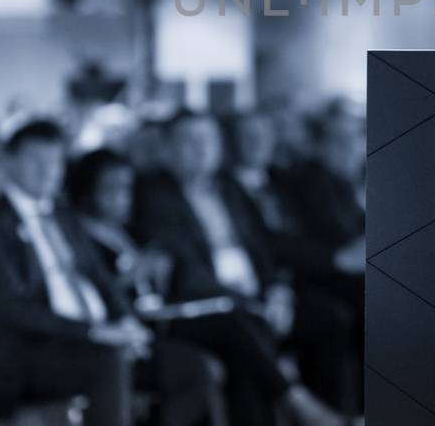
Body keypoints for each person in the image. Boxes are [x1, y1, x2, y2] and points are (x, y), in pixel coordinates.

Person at [0, 118, 212, 426]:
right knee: (107, 363)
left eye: (55, 162)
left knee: (188, 365)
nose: (47, 171)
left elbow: (99, 276)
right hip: (27, 354)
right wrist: (93, 333)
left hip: (91, 338)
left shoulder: (62, 216)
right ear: (8, 162)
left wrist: (125, 320)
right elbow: (10, 308)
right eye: (35, 161)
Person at [69, 148, 347, 426]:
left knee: (246, 333)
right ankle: (295, 400)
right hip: (142, 325)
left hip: (164, 312)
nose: (121, 197)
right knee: (232, 327)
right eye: (111, 188)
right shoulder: (81, 236)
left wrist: (157, 269)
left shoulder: (128, 231)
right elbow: (93, 293)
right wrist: (130, 279)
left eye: (126, 187)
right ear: (88, 189)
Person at [134, 113, 358, 424]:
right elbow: (185, 270)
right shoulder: (155, 196)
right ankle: (301, 406)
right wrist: (246, 302)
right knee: (245, 331)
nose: (201, 149)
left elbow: (262, 246)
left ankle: (338, 412)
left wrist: (278, 291)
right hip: (206, 304)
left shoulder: (229, 188)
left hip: (256, 293)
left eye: (208, 140)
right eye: (190, 141)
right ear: (169, 148)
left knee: (329, 316)